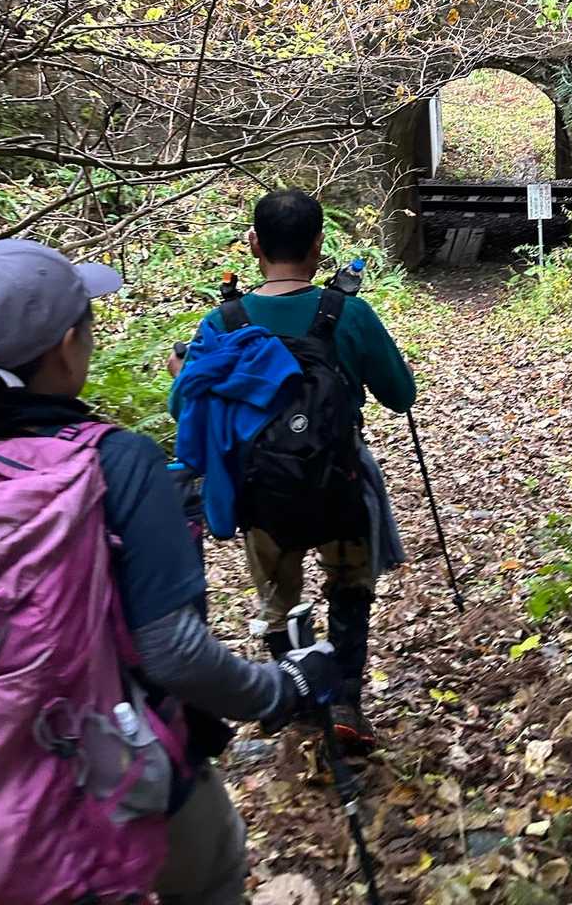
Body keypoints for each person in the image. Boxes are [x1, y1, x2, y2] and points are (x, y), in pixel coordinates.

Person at [0, 238, 339, 905]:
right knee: (213, 862)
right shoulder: (113, 464)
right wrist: (282, 690)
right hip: (103, 768)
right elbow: (173, 652)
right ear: (66, 349)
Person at [169, 188, 416, 753]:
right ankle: (346, 698)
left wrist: (183, 373)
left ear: (253, 244)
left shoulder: (223, 321)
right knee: (349, 586)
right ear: (319, 245)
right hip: (338, 484)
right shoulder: (348, 313)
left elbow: (185, 409)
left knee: (278, 600)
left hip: (260, 494)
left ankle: (302, 697)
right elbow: (400, 395)